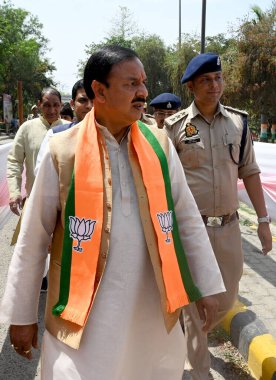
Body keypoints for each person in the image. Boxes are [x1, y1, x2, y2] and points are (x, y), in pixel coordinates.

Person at [0, 46, 225, 380]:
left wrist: (206, 286)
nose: (143, 92)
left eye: (143, 83)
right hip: (84, 319)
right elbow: (35, 237)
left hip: (150, 310)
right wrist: (21, 315)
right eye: (131, 84)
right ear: (99, 91)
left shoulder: (159, 145)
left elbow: (187, 219)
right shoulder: (63, 149)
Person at [164, 52, 272, 380]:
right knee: (197, 310)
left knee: (224, 299)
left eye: (218, 79)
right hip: (191, 231)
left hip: (228, 230)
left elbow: (250, 172)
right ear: (192, 87)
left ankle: (190, 336)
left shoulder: (239, 123)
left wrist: (264, 222)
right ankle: (198, 371)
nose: (215, 85)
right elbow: (164, 181)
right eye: (206, 81)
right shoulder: (175, 127)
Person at [35, 79, 93, 174]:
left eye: (93, 100)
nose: (89, 106)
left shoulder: (112, 135)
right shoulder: (55, 135)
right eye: (83, 100)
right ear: (72, 104)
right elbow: (43, 178)